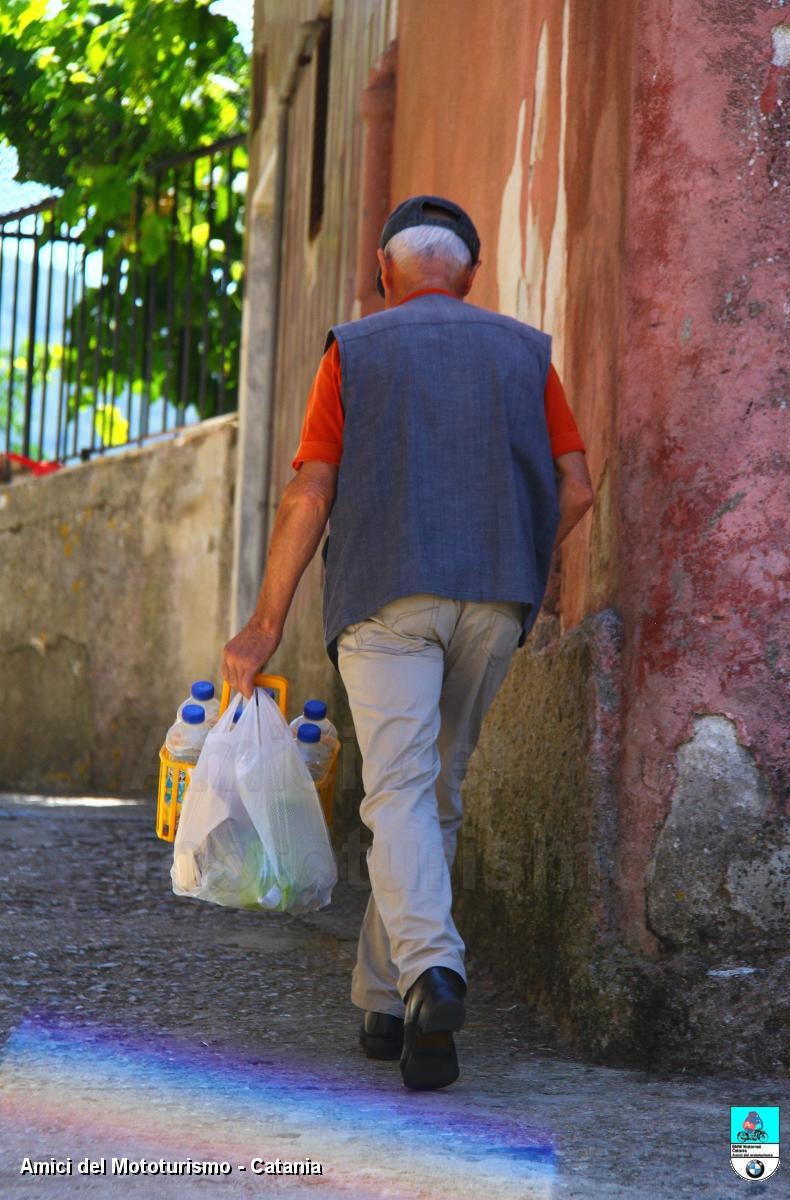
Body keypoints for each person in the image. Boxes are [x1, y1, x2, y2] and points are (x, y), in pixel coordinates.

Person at [223, 195, 593, 1091]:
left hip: (386, 597)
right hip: (494, 599)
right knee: (434, 788)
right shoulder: (525, 351)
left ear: (385, 275)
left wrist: (264, 621)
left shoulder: (355, 349)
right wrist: (532, 569)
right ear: (468, 276)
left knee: (396, 791)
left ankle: (433, 969)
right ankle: (389, 1004)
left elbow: (310, 493)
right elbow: (576, 484)